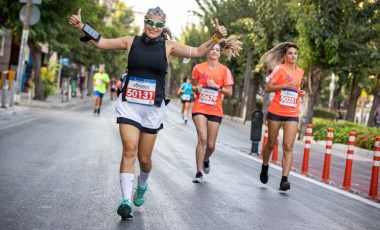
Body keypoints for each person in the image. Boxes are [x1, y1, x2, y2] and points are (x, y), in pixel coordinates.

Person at [69, 7, 230, 219]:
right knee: (130, 148)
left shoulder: (169, 46)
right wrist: (82, 26)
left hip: (153, 108)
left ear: (163, 26)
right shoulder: (130, 41)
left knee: (144, 159)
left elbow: (199, 51)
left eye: (158, 24)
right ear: (144, 22)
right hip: (130, 104)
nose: (153, 27)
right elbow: (102, 42)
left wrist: (216, 36)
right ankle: (125, 200)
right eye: (150, 23)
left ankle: (142, 184)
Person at [191, 39, 242, 183]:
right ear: (207, 51)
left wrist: (216, 86)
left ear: (220, 54)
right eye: (212, 49)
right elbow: (193, 87)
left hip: (215, 108)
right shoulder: (198, 68)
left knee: (211, 145)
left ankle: (206, 159)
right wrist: (197, 88)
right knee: (202, 138)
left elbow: (229, 92)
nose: (214, 51)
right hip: (200, 106)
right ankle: (199, 172)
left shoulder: (225, 71)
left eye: (217, 50)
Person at [259, 42, 305, 191]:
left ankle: (284, 179)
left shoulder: (300, 72)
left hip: (292, 112)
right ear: (285, 56)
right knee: (271, 143)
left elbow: (295, 88)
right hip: (276, 111)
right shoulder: (279, 69)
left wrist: (299, 93)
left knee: (288, 146)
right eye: (290, 53)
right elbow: (268, 88)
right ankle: (265, 166)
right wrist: (284, 86)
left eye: (295, 54)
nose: (293, 56)